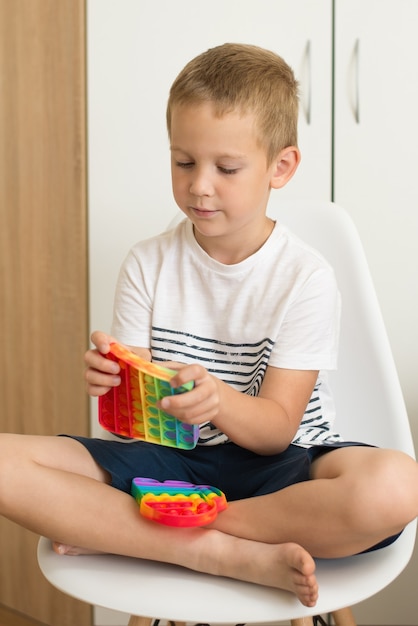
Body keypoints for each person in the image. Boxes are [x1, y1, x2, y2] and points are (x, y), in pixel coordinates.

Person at [1, 43, 418, 609]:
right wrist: (114, 382)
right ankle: (213, 551)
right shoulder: (147, 263)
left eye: (225, 168)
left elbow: (275, 430)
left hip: (279, 471)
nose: (200, 185)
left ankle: (164, 532)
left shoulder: (306, 278)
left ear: (281, 167)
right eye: (183, 162)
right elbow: (135, 430)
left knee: (399, 484)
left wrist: (217, 401)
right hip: (169, 465)